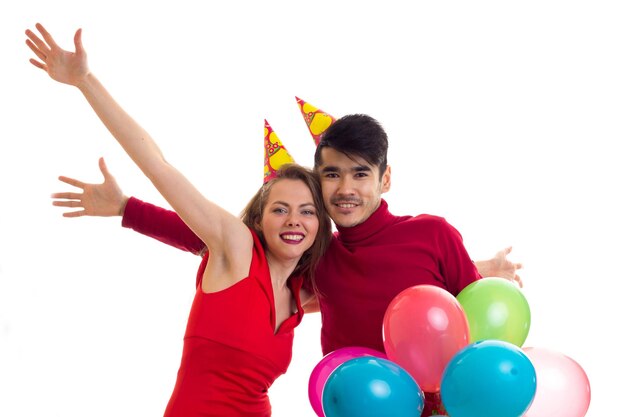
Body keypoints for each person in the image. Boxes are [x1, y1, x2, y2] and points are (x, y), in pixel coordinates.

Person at [41, 35, 522, 417]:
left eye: (360, 174)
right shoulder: (304, 261)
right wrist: (128, 207)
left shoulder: (417, 239)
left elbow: (443, 301)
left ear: (385, 178)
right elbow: (198, 222)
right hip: (354, 406)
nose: (345, 188)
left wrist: (485, 269)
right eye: (331, 174)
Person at [25, 23, 333, 417]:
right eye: (280, 209)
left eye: (307, 212)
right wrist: (85, 81)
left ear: (320, 227)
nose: (294, 221)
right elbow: (159, 166)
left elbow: (372, 289)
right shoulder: (237, 248)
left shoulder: (301, 294)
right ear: (259, 218)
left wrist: (127, 208)